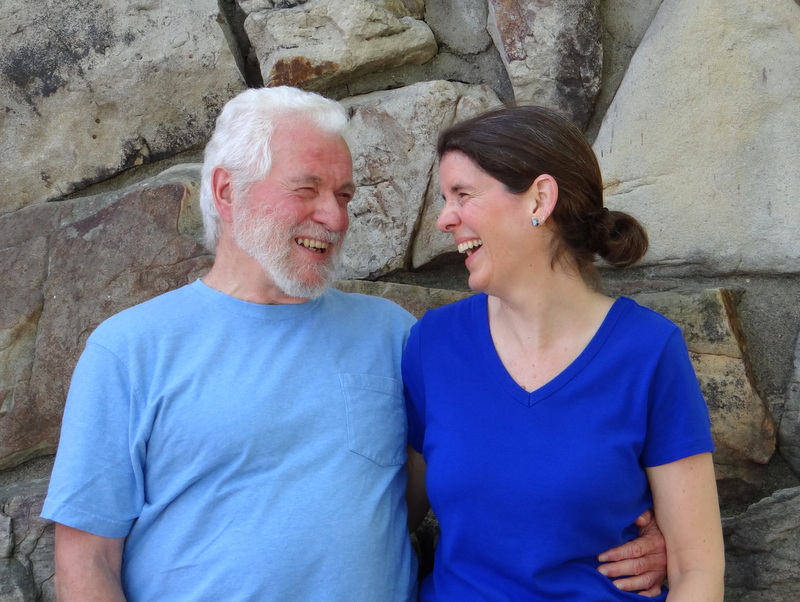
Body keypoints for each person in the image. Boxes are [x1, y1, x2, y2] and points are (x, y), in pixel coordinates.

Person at [41, 87, 667, 601]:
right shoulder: (130, 350)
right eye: (306, 189)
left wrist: (630, 530)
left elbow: (503, 458)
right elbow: (85, 561)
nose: (336, 218)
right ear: (228, 193)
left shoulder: (393, 335)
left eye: (343, 195)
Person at [402, 105, 725, 600]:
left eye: (462, 194)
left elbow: (697, 572)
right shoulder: (434, 344)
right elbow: (392, 516)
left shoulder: (647, 351)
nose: (445, 218)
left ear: (540, 198)